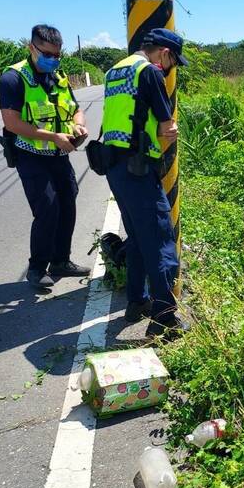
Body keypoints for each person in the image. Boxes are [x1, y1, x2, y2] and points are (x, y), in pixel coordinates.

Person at [100, 28, 187, 336]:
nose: (171, 68)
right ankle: (164, 317)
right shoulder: (149, 73)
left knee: (137, 236)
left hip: (114, 167)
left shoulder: (115, 70)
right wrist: (169, 131)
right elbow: (166, 127)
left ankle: (137, 300)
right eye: (173, 61)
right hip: (138, 167)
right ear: (163, 53)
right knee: (160, 237)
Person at [0, 24, 91, 289]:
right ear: (32, 48)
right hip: (30, 155)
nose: (53, 59)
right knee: (47, 208)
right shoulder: (13, 78)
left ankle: (61, 260)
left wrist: (78, 124)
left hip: (58, 153)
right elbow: (12, 123)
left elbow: (76, 109)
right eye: (48, 54)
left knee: (68, 202)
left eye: (57, 54)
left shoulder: (58, 76)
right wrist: (53, 137)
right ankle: (37, 268)